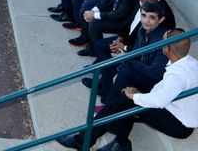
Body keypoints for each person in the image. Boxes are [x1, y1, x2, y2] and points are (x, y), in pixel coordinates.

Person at [57, 29, 198, 151]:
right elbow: (162, 92)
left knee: (125, 99)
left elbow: (158, 101)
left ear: (167, 49)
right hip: (175, 109)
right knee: (123, 100)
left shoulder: (177, 76)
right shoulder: (189, 62)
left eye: (162, 42)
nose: (159, 44)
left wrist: (134, 96)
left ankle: (84, 140)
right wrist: (136, 94)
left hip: (179, 124)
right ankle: (118, 142)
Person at [84, 0, 169, 105]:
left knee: (125, 71)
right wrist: (120, 67)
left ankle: (109, 105)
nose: (146, 20)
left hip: (152, 80)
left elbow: (155, 72)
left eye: (152, 17)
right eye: (144, 15)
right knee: (112, 63)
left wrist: (124, 68)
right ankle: (104, 91)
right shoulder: (142, 30)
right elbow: (135, 53)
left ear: (161, 20)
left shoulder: (163, 40)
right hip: (141, 68)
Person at [94, 0, 176, 65]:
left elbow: (148, 48)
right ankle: (103, 69)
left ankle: (111, 72)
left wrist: (125, 48)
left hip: (137, 50)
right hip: (128, 39)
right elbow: (130, 21)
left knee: (113, 62)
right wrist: (119, 39)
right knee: (99, 45)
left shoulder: (166, 16)